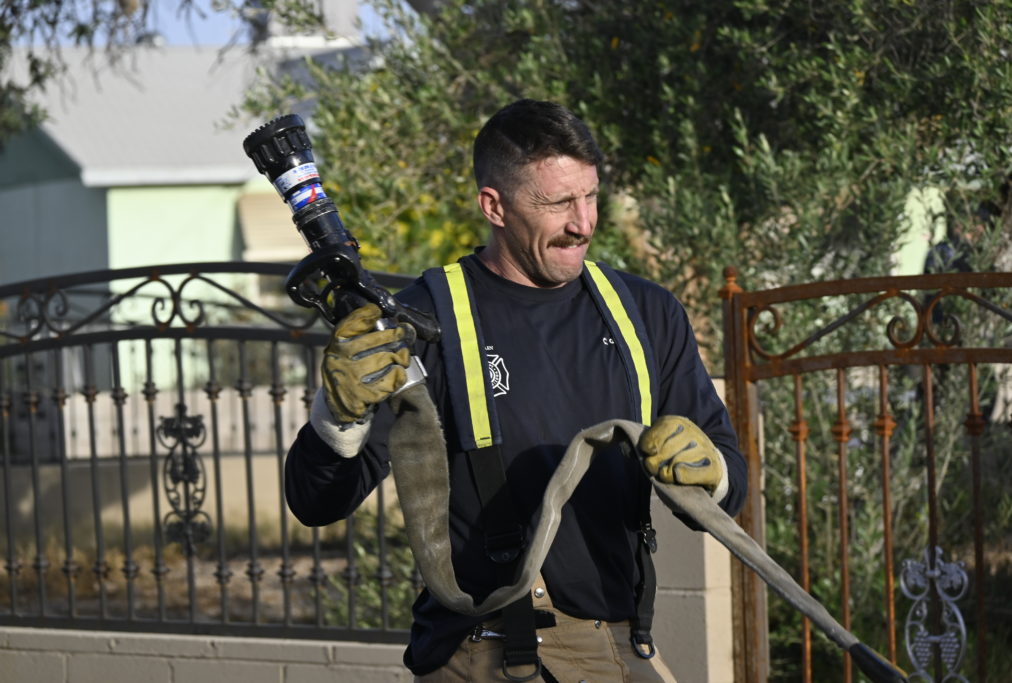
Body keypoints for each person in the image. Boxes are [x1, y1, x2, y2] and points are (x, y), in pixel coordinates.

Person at [284, 99, 747, 682]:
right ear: (494, 206)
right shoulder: (426, 321)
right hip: (497, 649)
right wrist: (338, 417)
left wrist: (709, 471)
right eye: (557, 203)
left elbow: (729, 493)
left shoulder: (646, 312)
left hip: (627, 641)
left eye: (590, 196)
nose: (583, 223)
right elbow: (317, 503)